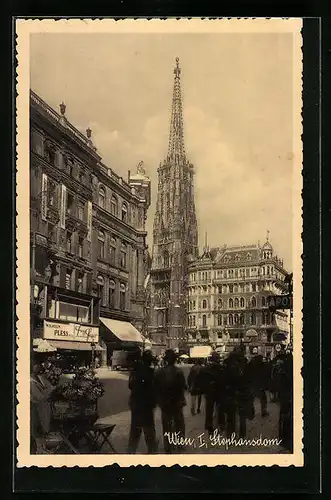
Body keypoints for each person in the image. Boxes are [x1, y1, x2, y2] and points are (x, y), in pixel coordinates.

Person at [155, 349, 187, 453]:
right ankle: (180, 445)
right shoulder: (178, 372)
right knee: (179, 424)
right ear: (174, 360)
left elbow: (156, 388)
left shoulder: (159, 372)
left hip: (165, 403)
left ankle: (168, 447)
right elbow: (184, 386)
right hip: (177, 402)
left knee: (166, 425)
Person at [127, 350, 158, 454]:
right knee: (149, 430)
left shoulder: (135, 371)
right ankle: (151, 451)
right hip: (147, 404)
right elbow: (155, 388)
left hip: (136, 403)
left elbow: (130, 385)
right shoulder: (151, 372)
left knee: (135, 430)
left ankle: (131, 453)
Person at [224, 346, 252, 438]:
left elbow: (224, 379)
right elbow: (248, 380)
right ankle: (242, 435)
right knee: (242, 416)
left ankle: (230, 435)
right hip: (242, 392)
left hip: (230, 393)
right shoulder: (245, 365)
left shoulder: (227, 364)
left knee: (231, 416)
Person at [30, 357, 56, 453]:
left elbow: (51, 387)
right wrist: (48, 391)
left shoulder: (40, 377)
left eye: (39, 365)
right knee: (37, 428)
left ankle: (43, 448)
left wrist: (49, 390)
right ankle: (39, 449)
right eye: (37, 365)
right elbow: (40, 396)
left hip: (44, 407)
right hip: (36, 407)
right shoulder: (30, 381)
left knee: (44, 428)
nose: (39, 367)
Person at [200, 351, 226, 436]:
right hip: (219, 391)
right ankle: (221, 424)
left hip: (209, 392)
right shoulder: (221, 368)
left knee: (209, 410)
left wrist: (205, 390)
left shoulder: (205, 368)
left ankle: (209, 426)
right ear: (217, 359)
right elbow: (223, 380)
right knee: (220, 409)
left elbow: (202, 381)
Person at [246, 348, 269, 417]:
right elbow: (265, 375)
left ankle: (251, 411)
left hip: (252, 384)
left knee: (251, 399)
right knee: (263, 399)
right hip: (260, 385)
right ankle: (263, 411)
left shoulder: (250, 364)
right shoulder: (262, 365)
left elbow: (247, 374)